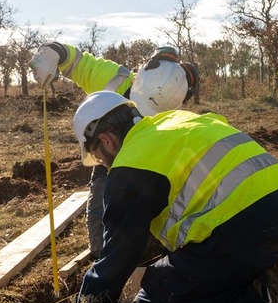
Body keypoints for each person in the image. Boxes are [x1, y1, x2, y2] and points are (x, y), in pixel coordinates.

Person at [70, 91, 278, 303]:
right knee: (190, 272)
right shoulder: (177, 120)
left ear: (106, 140)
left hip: (245, 229)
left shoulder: (130, 162)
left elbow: (118, 253)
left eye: (98, 156)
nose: (103, 164)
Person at [30, 42, 198, 257]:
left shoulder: (172, 105)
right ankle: (103, 258)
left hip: (148, 164)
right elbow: (79, 63)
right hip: (106, 160)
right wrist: (53, 52)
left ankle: (147, 258)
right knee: (101, 213)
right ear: (138, 80)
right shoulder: (114, 79)